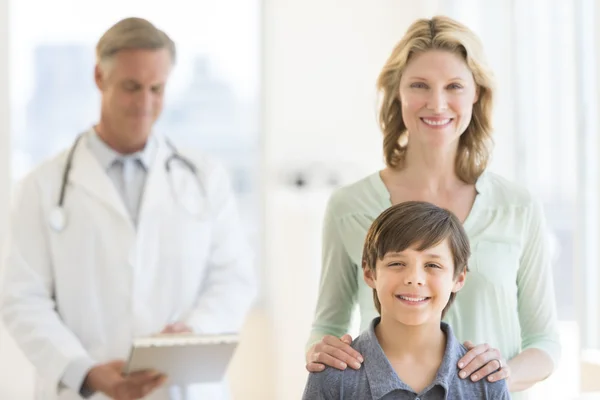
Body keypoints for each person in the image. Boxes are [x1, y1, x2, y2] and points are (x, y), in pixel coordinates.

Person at [0, 17, 256, 400]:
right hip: (87, 390)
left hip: (182, 387)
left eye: (157, 88)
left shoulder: (204, 177)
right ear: (100, 78)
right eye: (131, 87)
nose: (145, 104)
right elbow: (24, 298)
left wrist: (192, 334)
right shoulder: (41, 187)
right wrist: (85, 371)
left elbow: (233, 278)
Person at [305, 15, 560, 399]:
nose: (437, 103)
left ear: (477, 93)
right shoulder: (349, 206)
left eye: (454, 86)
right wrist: (323, 355)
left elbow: (545, 342)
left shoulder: (517, 206)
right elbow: (327, 323)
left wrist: (497, 377)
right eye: (419, 85)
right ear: (397, 93)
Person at [303, 201, 511, 399]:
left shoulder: (487, 380)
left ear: (459, 278)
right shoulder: (331, 377)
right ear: (369, 273)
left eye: (433, 265)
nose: (414, 279)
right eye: (396, 263)